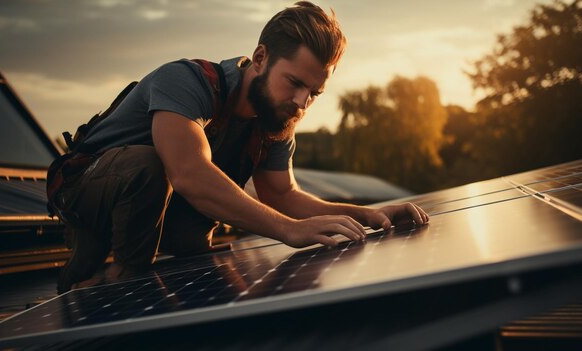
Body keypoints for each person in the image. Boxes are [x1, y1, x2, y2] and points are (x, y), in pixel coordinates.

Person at [51, 1, 429, 294]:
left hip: (158, 206)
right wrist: (287, 230)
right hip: (89, 189)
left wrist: (366, 214)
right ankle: (119, 272)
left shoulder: (273, 121)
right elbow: (189, 174)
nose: (301, 102)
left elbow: (282, 194)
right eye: (294, 83)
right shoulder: (186, 81)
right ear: (260, 58)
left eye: (313, 93)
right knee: (150, 165)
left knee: (194, 242)